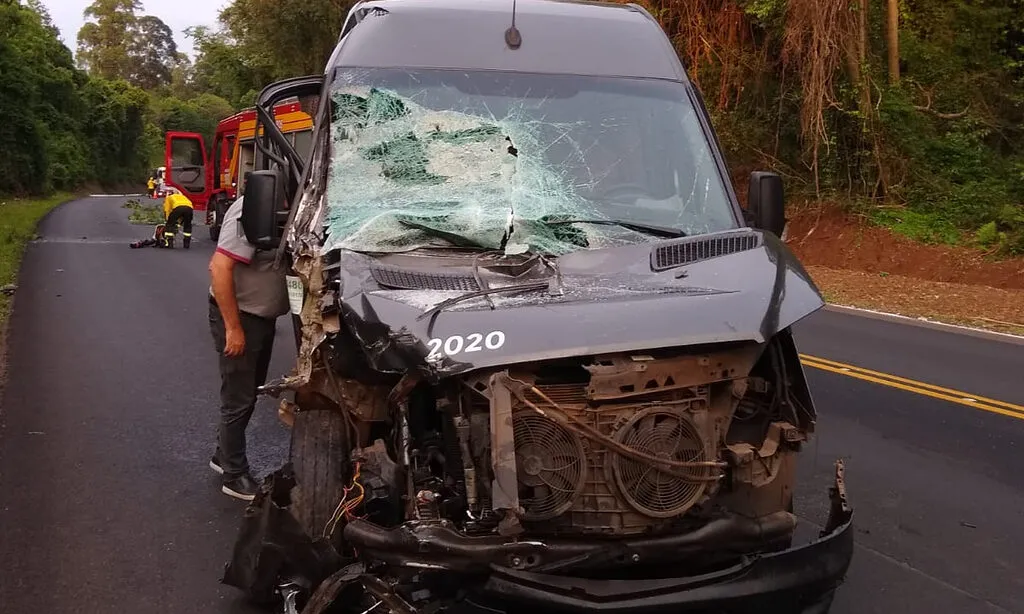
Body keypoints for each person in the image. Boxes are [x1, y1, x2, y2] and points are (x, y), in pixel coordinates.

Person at [207, 196, 290, 501]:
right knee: (238, 397)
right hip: (241, 316)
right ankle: (234, 475)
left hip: (260, 317)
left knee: (248, 392)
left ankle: (223, 455)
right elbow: (219, 267)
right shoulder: (254, 207)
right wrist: (233, 328)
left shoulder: (293, 205)